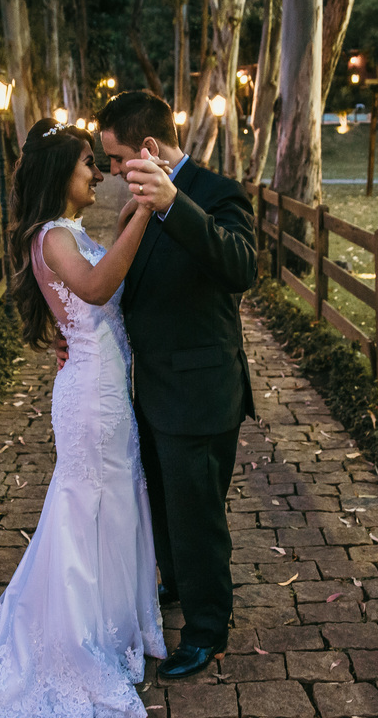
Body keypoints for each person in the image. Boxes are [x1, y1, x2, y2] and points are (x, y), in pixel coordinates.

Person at [0, 118, 166, 717]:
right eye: (87, 164)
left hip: (102, 386)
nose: (97, 173)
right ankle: (75, 638)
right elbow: (96, 288)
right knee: (86, 507)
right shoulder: (52, 236)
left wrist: (131, 210)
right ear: (59, 174)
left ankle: (109, 619)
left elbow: (93, 283)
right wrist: (146, 214)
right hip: (91, 396)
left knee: (111, 501)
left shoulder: (66, 232)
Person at [96, 90, 257, 679]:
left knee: (197, 519)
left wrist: (175, 204)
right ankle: (179, 583)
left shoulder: (215, 192)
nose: (113, 171)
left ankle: (208, 629)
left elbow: (242, 266)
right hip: (153, 390)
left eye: (117, 158)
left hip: (200, 393)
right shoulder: (136, 202)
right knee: (163, 507)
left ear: (147, 148)